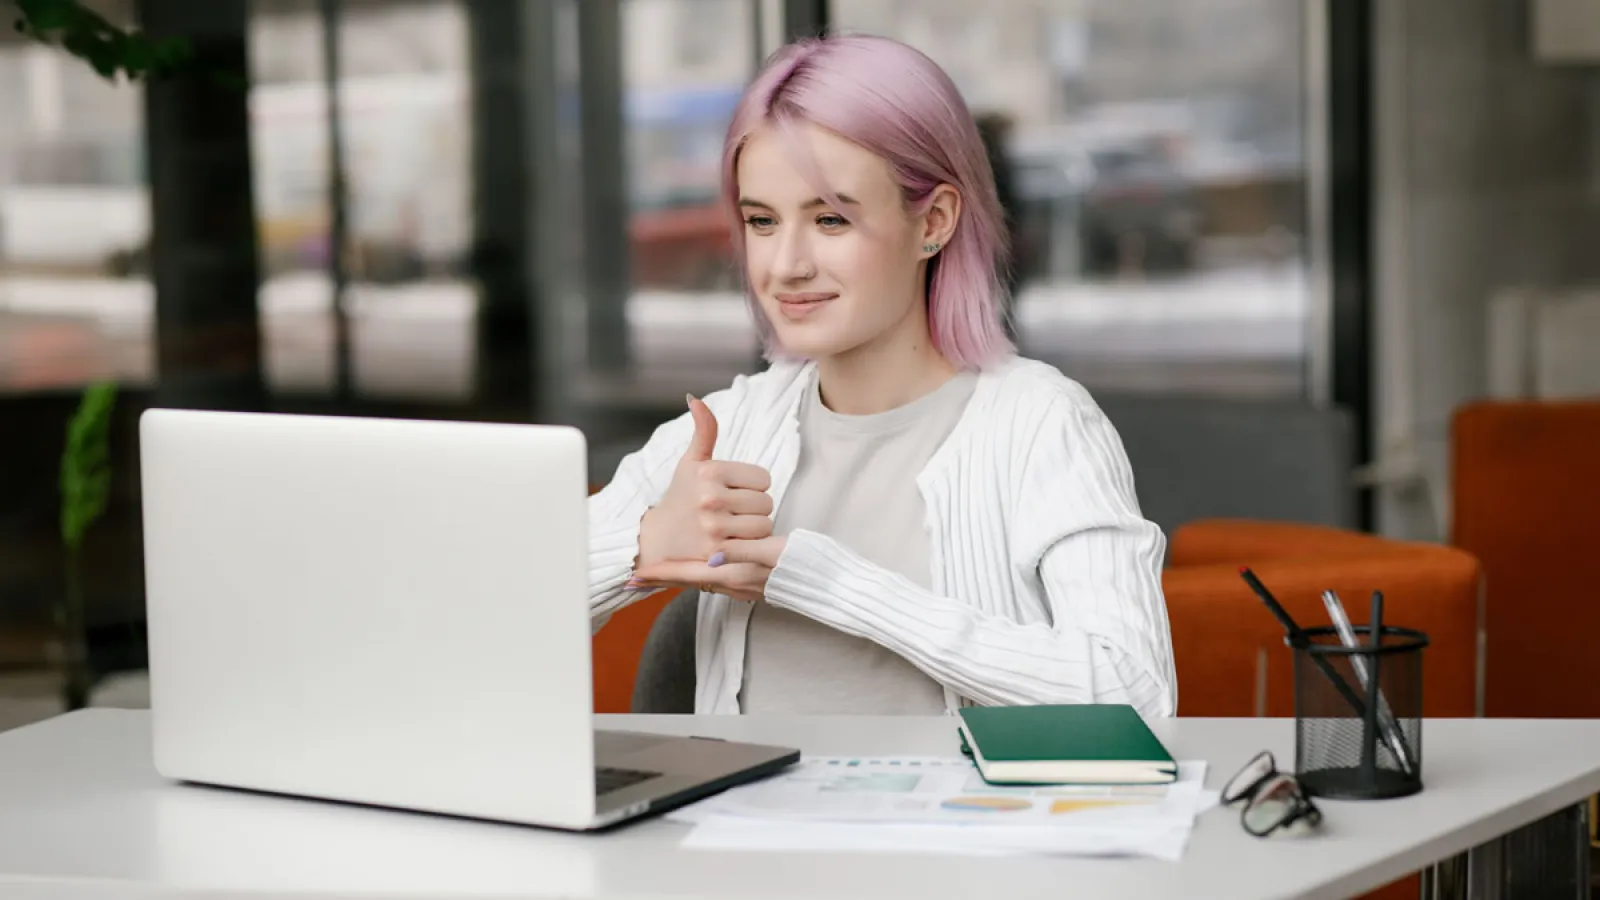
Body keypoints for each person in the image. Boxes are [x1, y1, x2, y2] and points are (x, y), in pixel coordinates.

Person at [587, 34, 1176, 720]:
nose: (785, 266)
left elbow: (1137, 694)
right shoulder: (729, 429)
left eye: (831, 219)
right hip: (750, 827)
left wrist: (830, 583)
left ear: (934, 221)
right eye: (762, 221)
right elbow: (478, 616)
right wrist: (644, 545)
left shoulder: (1040, 423)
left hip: (974, 828)